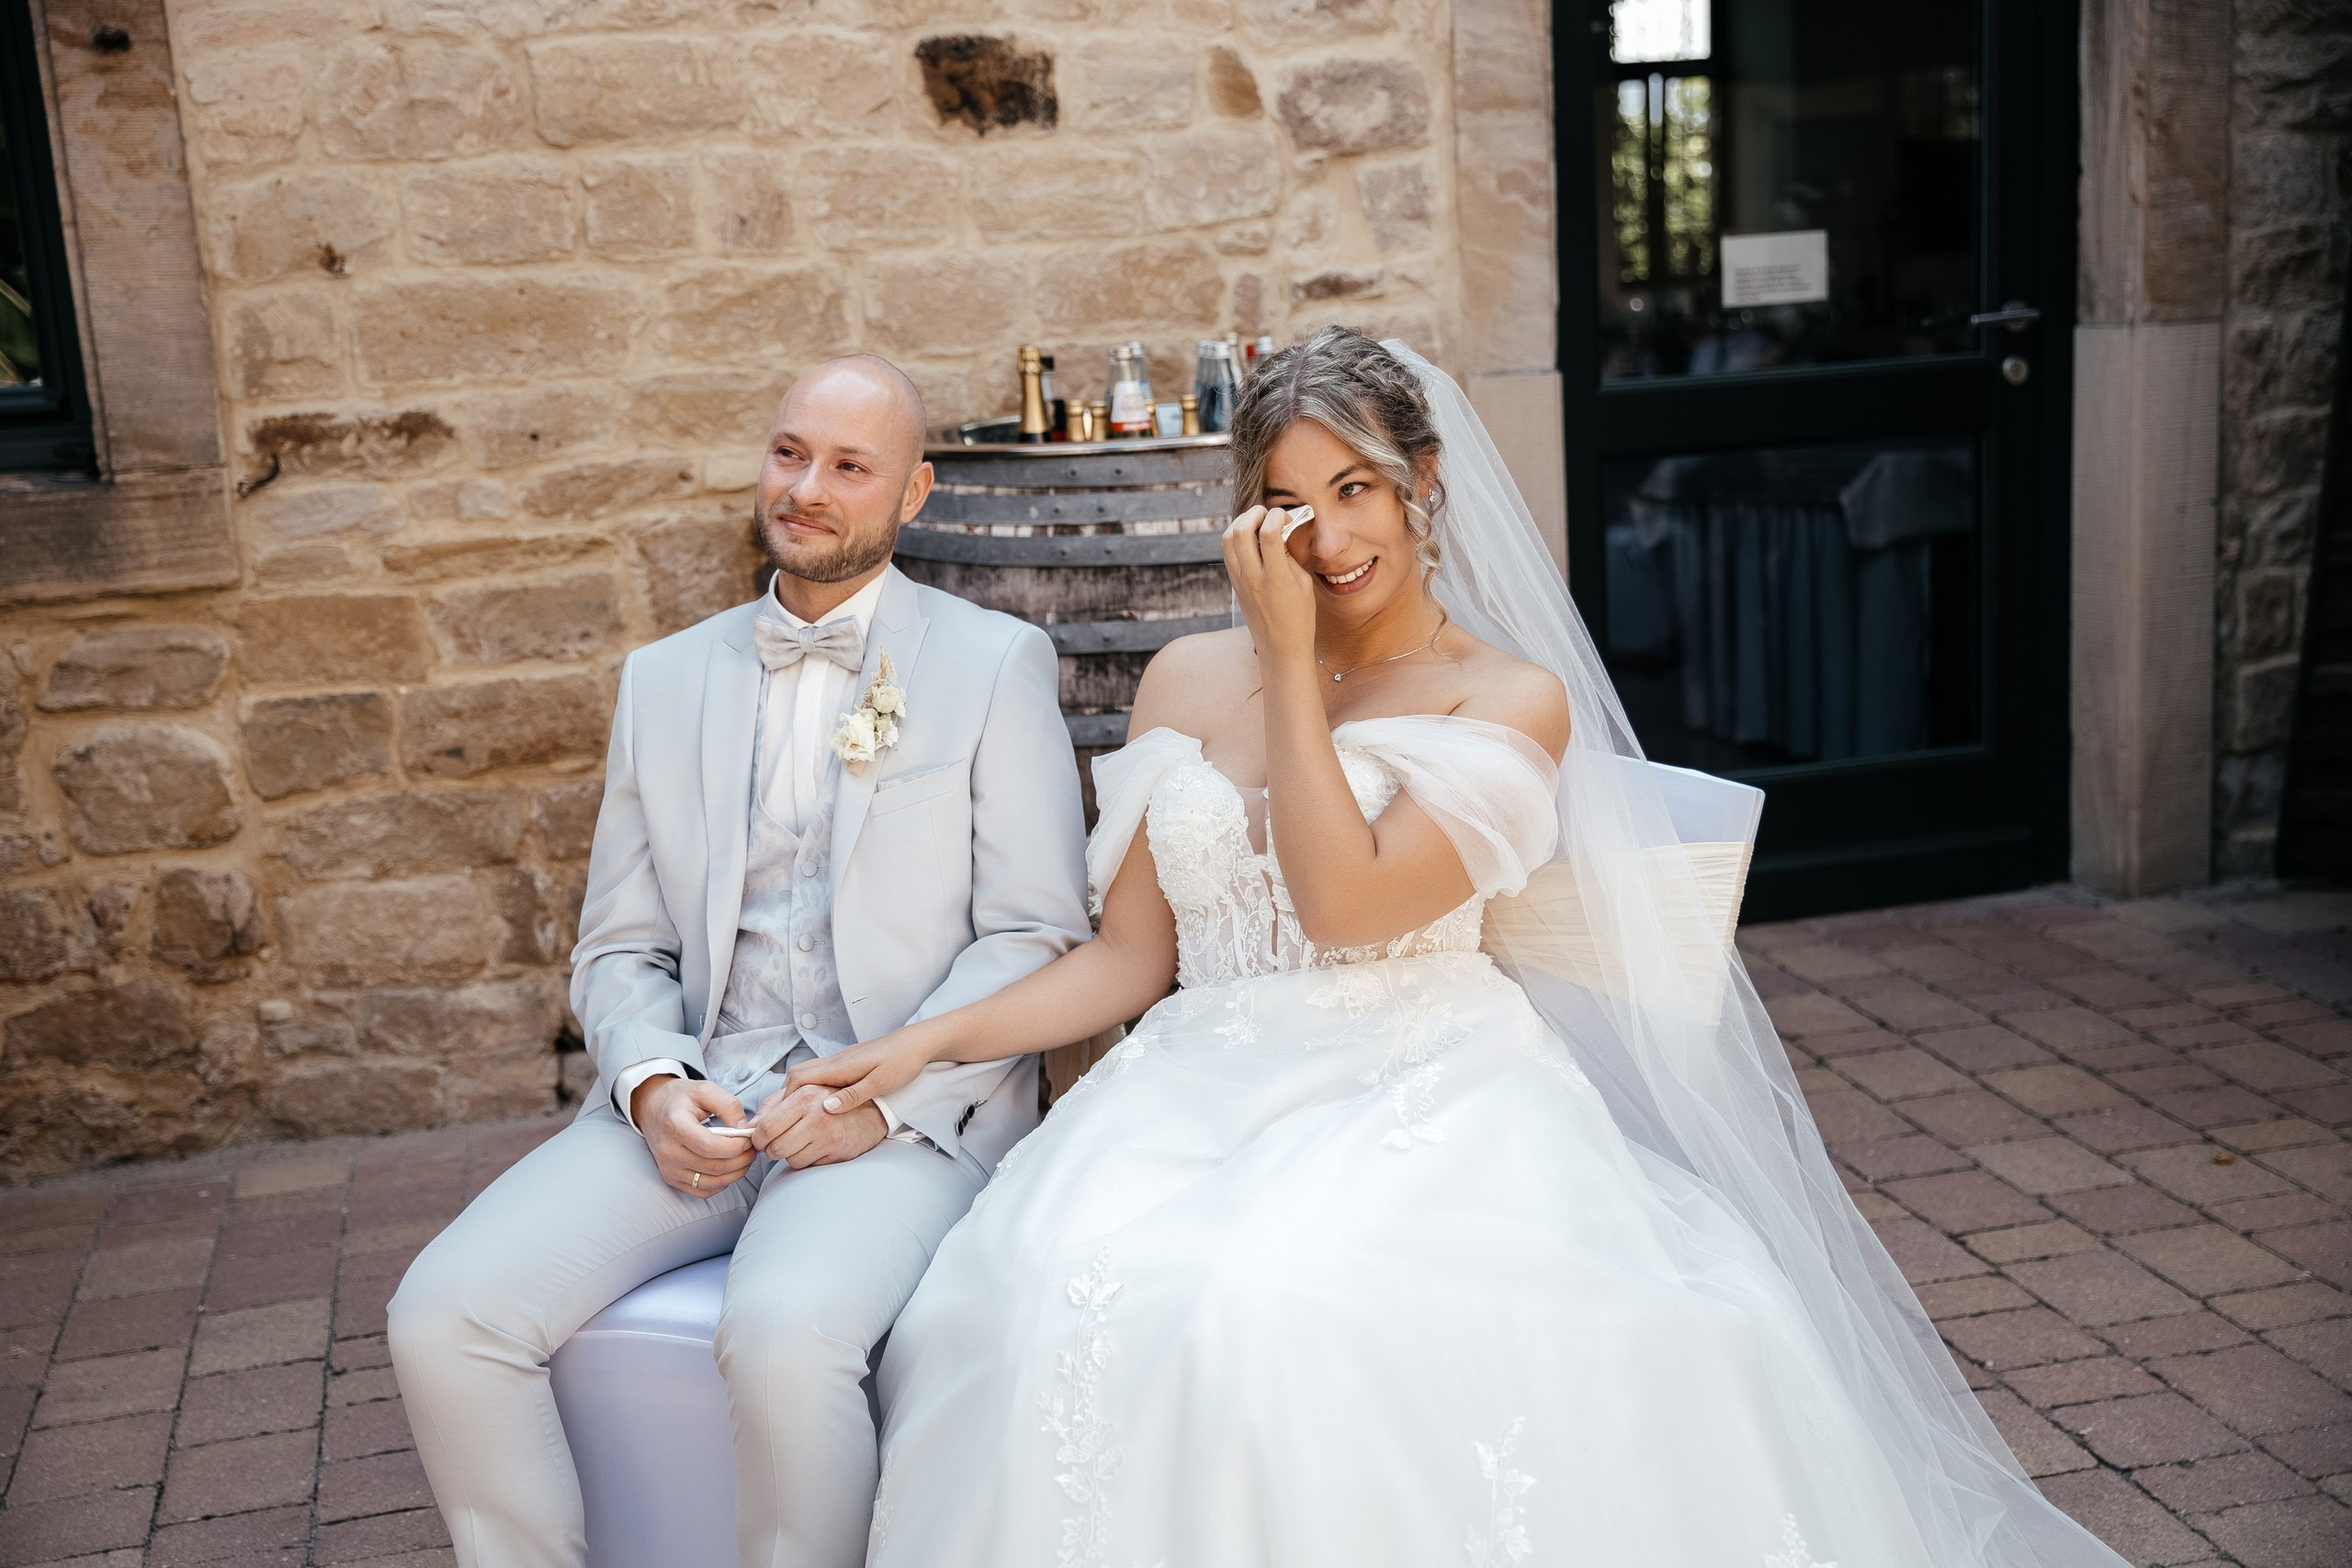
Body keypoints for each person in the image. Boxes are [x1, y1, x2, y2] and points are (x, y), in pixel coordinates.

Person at [786, 329, 2132, 1567]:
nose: (1326, 536)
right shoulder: (1186, 680)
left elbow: (1348, 907)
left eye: (1358, 489)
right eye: (1290, 501)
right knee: (1015, 1292)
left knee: (1253, 1305)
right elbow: (1129, 965)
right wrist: (919, 1047)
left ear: (1422, 482)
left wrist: (1287, 654)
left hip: (1417, 1093)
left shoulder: (1507, 697)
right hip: (1190, 1094)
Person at [385, 355, 1090, 1568]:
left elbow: (1034, 933)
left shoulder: (990, 664)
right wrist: (653, 1088)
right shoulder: (662, 682)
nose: (807, 488)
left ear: (913, 493)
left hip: (898, 1121)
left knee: (779, 1337)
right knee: (441, 1319)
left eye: (849, 467)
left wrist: (892, 1095)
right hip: (702, 1101)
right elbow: (620, 946)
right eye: (788, 454)